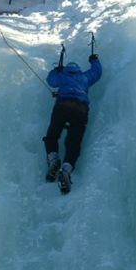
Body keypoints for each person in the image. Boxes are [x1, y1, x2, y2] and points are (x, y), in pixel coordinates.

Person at [43, 53, 103, 194]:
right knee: (74, 143)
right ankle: (66, 169)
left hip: (63, 105)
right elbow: (97, 72)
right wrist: (95, 60)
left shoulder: (62, 76)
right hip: (81, 108)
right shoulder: (84, 77)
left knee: (52, 136)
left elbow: (51, 80)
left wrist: (56, 70)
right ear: (78, 70)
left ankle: (53, 159)